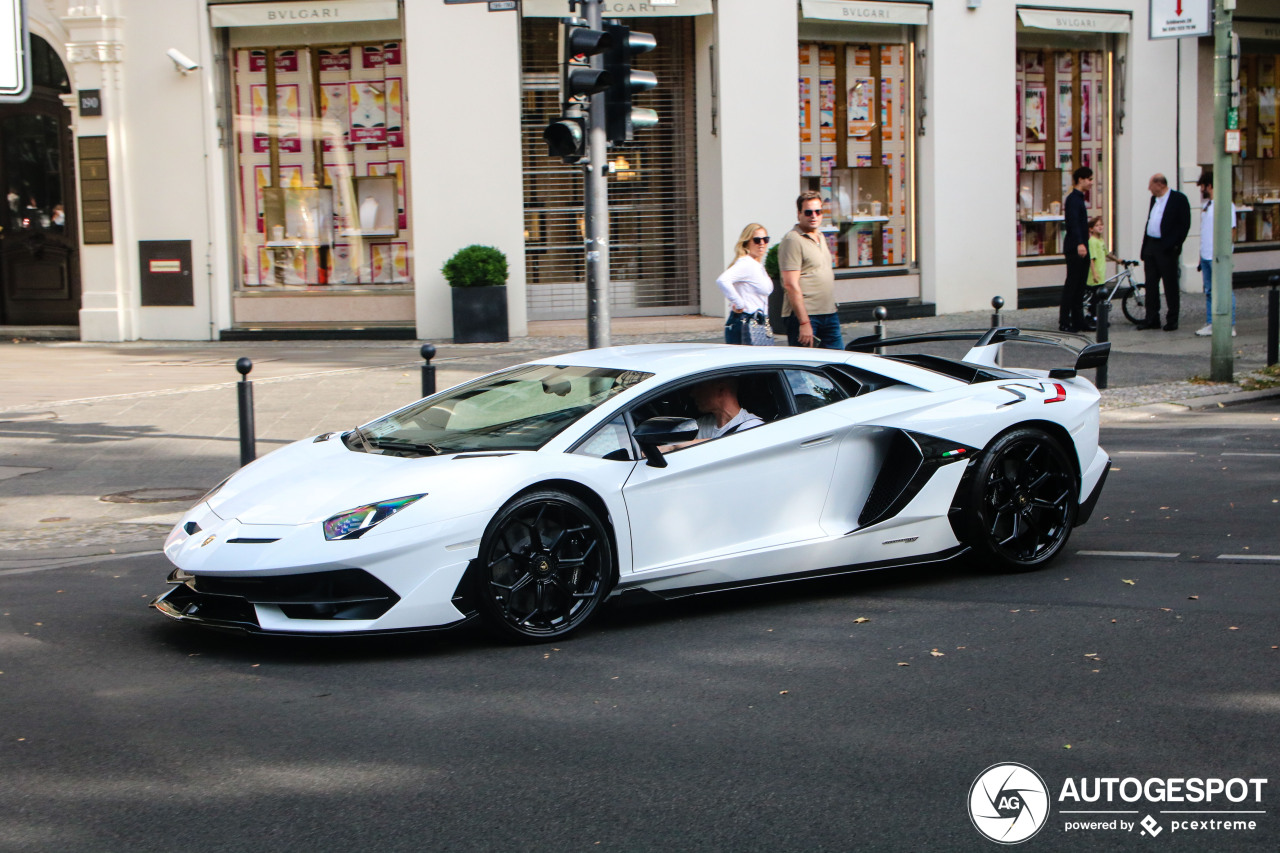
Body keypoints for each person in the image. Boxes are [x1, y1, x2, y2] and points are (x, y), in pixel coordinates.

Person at [779, 191, 843, 350]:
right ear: (799, 214)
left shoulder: (820, 236)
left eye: (818, 211)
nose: (813, 216)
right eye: (808, 212)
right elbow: (790, 284)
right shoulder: (793, 239)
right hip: (807, 316)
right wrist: (804, 322)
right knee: (805, 368)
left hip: (828, 312)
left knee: (837, 364)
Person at [1139, 172, 1191, 331]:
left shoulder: (1178, 199)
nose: (1149, 189)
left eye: (1151, 185)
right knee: (1151, 284)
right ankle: (1152, 318)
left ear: (1159, 184)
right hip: (1151, 244)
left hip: (1166, 246)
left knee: (1170, 285)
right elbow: (1151, 220)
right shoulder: (1153, 199)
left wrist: (1174, 245)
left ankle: (1172, 319)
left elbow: (1184, 224)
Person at [663, 376, 763, 451]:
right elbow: (664, 448)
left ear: (721, 390)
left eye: (700, 386)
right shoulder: (701, 424)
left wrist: (676, 446)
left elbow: (731, 447)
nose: (692, 394)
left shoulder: (753, 426)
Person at [1194, 172, 1237, 337]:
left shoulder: (1225, 203)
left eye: (1203, 187)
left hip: (1218, 255)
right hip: (1206, 254)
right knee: (1210, 290)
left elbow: (1231, 230)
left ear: (1209, 186)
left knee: (1225, 289)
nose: (1201, 190)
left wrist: (1226, 252)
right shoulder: (1208, 204)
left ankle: (1229, 324)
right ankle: (1211, 322)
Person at [716, 222, 773, 345]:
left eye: (765, 239)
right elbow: (723, 280)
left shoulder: (756, 265)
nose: (762, 243)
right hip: (745, 321)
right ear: (747, 242)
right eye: (757, 240)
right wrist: (739, 303)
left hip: (757, 322)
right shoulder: (746, 263)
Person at [1059, 167, 1094, 332]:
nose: (1091, 183)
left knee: (1080, 285)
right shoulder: (1073, 199)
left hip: (1081, 245)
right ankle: (1065, 320)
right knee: (1072, 284)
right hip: (1075, 246)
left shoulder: (1079, 198)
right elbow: (1073, 223)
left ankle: (1078, 320)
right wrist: (1080, 243)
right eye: (1089, 179)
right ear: (1081, 179)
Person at [1084, 215, 1107, 322]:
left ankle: (1097, 315)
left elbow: (1107, 253)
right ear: (1091, 229)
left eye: (1101, 225)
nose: (1100, 227)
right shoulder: (1092, 241)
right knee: (1096, 298)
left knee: (1100, 297)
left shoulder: (1101, 240)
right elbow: (1091, 259)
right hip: (1095, 275)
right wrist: (1094, 273)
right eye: (1097, 225)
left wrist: (1118, 260)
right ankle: (1092, 315)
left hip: (1101, 274)